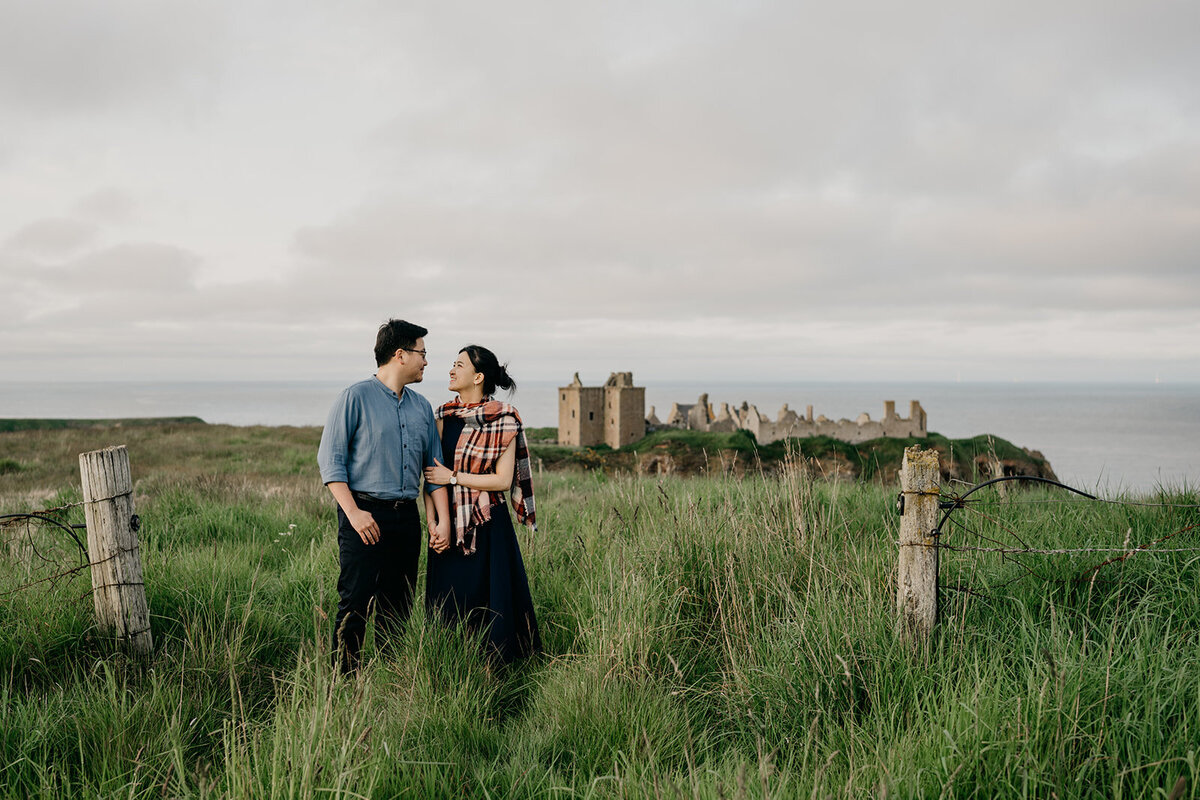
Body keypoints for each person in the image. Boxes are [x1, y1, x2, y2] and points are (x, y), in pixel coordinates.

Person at [317, 318, 450, 673]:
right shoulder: (354, 397)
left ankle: (392, 682)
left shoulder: (422, 407)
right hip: (363, 514)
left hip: (406, 518)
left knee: (400, 605)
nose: (427, 361)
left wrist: (439, 522)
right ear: (400, 355)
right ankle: (345, 684)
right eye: (423, 353)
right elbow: (331, 465)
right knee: (355, 603)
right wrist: (355, 514)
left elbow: (433, 473)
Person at [422, 345, 541, 664]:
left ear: (477, 376)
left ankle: (496, 673)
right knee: (448, 602)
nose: (451, 370)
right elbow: (431, 475)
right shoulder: (443, 416)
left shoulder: (504, 418)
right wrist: (432, 522)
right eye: (452, 364)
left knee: (491, 602)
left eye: (458, 365)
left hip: (488, 525)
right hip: (447, 525)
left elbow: (503, 481)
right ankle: (447, 667)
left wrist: (455, 478)